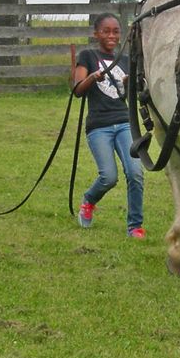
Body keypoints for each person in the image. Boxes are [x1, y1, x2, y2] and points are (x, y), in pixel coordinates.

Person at [72, 12, 145, 239]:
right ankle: (88, 201)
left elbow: (131, 94)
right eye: (106, 31)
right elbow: (77, 90)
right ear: (96, 34)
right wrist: (93, 77)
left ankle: (135, 226)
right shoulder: (87, 56)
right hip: (99, 126)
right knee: (109, 177)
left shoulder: (124, 60)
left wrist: (129, 83)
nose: (111, 36)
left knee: (135, 173)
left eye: (116, 31)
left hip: (124, 123)